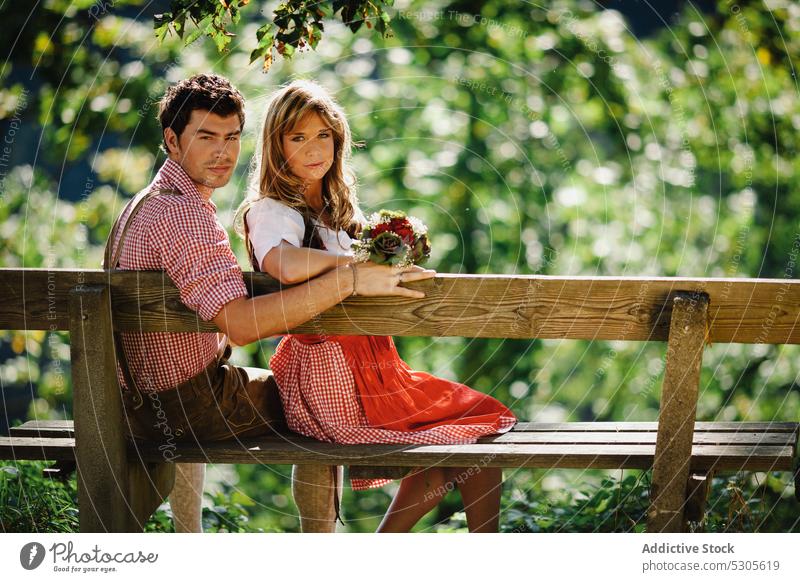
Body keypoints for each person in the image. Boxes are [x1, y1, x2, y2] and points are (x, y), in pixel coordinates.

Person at [104, 74, 435, 533]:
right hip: (189, 405)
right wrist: (352, 278)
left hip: (132, 401)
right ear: (172, 141)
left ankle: (190, 539)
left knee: (298, 383)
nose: (222, 152)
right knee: (312, 397)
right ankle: (318, 547)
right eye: (206, 137)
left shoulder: (145, 203)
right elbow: (239, 326)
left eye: (232, 137)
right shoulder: (185, 216)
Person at [236, 80, 517, 533]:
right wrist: (356, 262)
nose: (314, 148)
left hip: (369, 365)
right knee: (473, 434)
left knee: (471, 430)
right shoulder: (272, 209)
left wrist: (397, 264)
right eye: (298, 137)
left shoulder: (336, 210)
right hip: (332, 377)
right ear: (275, 146)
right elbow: (282, 264)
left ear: (338, 140)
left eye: (323, 135)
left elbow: (360, 274)